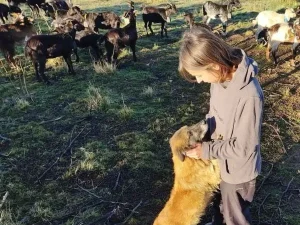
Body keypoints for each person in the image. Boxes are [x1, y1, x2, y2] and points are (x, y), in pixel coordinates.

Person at [178, 27, 264, 225]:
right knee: (220, 208)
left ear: (214, 65)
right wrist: (202, 137)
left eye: (198, 75)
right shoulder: (218, 81)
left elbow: (244, 147)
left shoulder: (249, 95)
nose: (199, 81)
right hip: (220, 165)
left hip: (237, 173)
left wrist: (206, 150)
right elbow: (214, 115)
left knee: (235, 216)